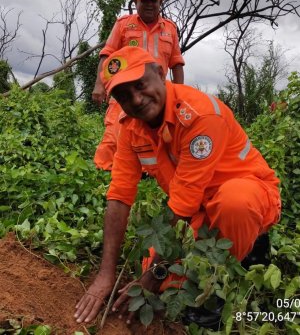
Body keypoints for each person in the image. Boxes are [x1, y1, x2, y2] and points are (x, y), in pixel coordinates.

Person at [74, 46, 281, 325]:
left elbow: (182, 203)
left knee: (234, 204)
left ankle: (233, 269)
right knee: (165, 283)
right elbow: (120, 196)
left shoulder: (200, 115)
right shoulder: (129, 127)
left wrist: (153, 277)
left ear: (160, 73)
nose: (136, 99)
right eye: (124, 95)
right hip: (198, 211)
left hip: (250, 195)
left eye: (140, 85)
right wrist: (105, 274)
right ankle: (220, 250)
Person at [92, 0, 185, 171]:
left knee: (155, 134)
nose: (149, 5)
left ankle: (150, 174)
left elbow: (176, 63)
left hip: (155, 91)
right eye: (144, 1)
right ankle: (103, 172)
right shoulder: (123, 24)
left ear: (160, 3)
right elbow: (107, 55)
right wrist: (99, 85)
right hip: (124, 89)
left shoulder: (170, 29)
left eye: (153, 1)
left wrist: (178, 93)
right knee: (114, 131)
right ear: (136, 2)